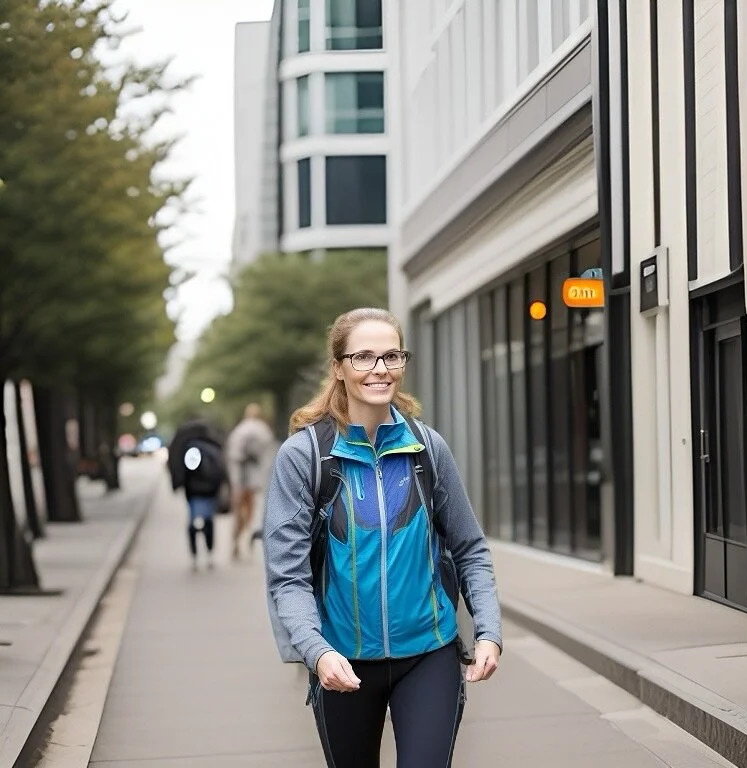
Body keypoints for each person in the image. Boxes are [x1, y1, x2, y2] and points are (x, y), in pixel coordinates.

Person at [264, 307, 502, 768]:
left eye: (391, 356)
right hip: (341, 661)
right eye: (364, 357)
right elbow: (287, 577)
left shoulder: (427, 447)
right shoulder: (305, 456)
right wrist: (316, 653)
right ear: (338, 368)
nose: (379, 369)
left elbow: (469, 548)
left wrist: (489, 631)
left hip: (429, 653)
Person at [167, 418, 227, 569]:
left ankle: (194, 555)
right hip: (211, 491)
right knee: (209, 521)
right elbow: (221, 470)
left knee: (193, 522)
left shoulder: (189, 448)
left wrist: (179, 481)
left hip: (193, 491)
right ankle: (210, 553)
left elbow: (187, 470)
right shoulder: (214, 446)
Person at [226, 403, 275, 558]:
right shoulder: (264, 431)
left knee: (238, 510)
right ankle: (248, 537)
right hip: (254, 479)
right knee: (251, 509)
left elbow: (232, 455)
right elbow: (269, 456)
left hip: (238, 477)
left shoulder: (239, 430)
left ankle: (236, 541)